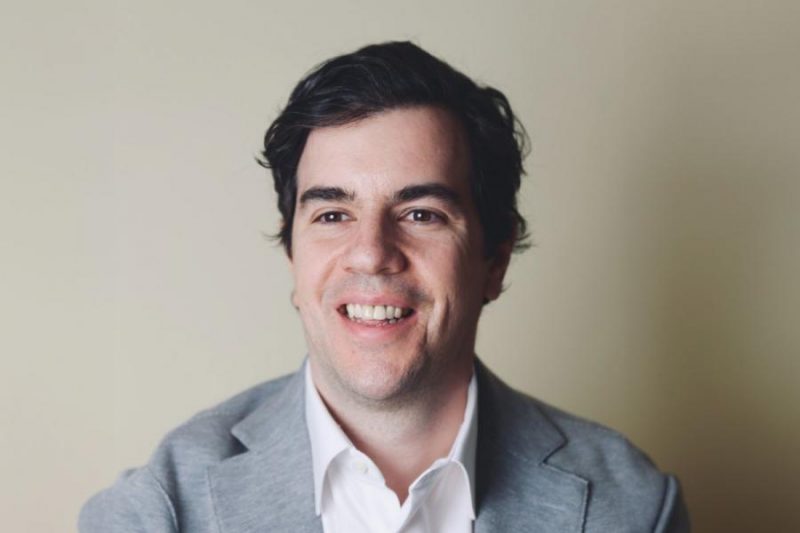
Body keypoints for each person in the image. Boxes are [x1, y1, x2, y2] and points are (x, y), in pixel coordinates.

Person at [79, 41, 690, 532]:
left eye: (422, 214)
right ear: (293, 257)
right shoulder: (159, 511)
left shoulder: (632, 507)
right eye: (332, 214)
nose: (371, 253)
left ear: (494, 260)